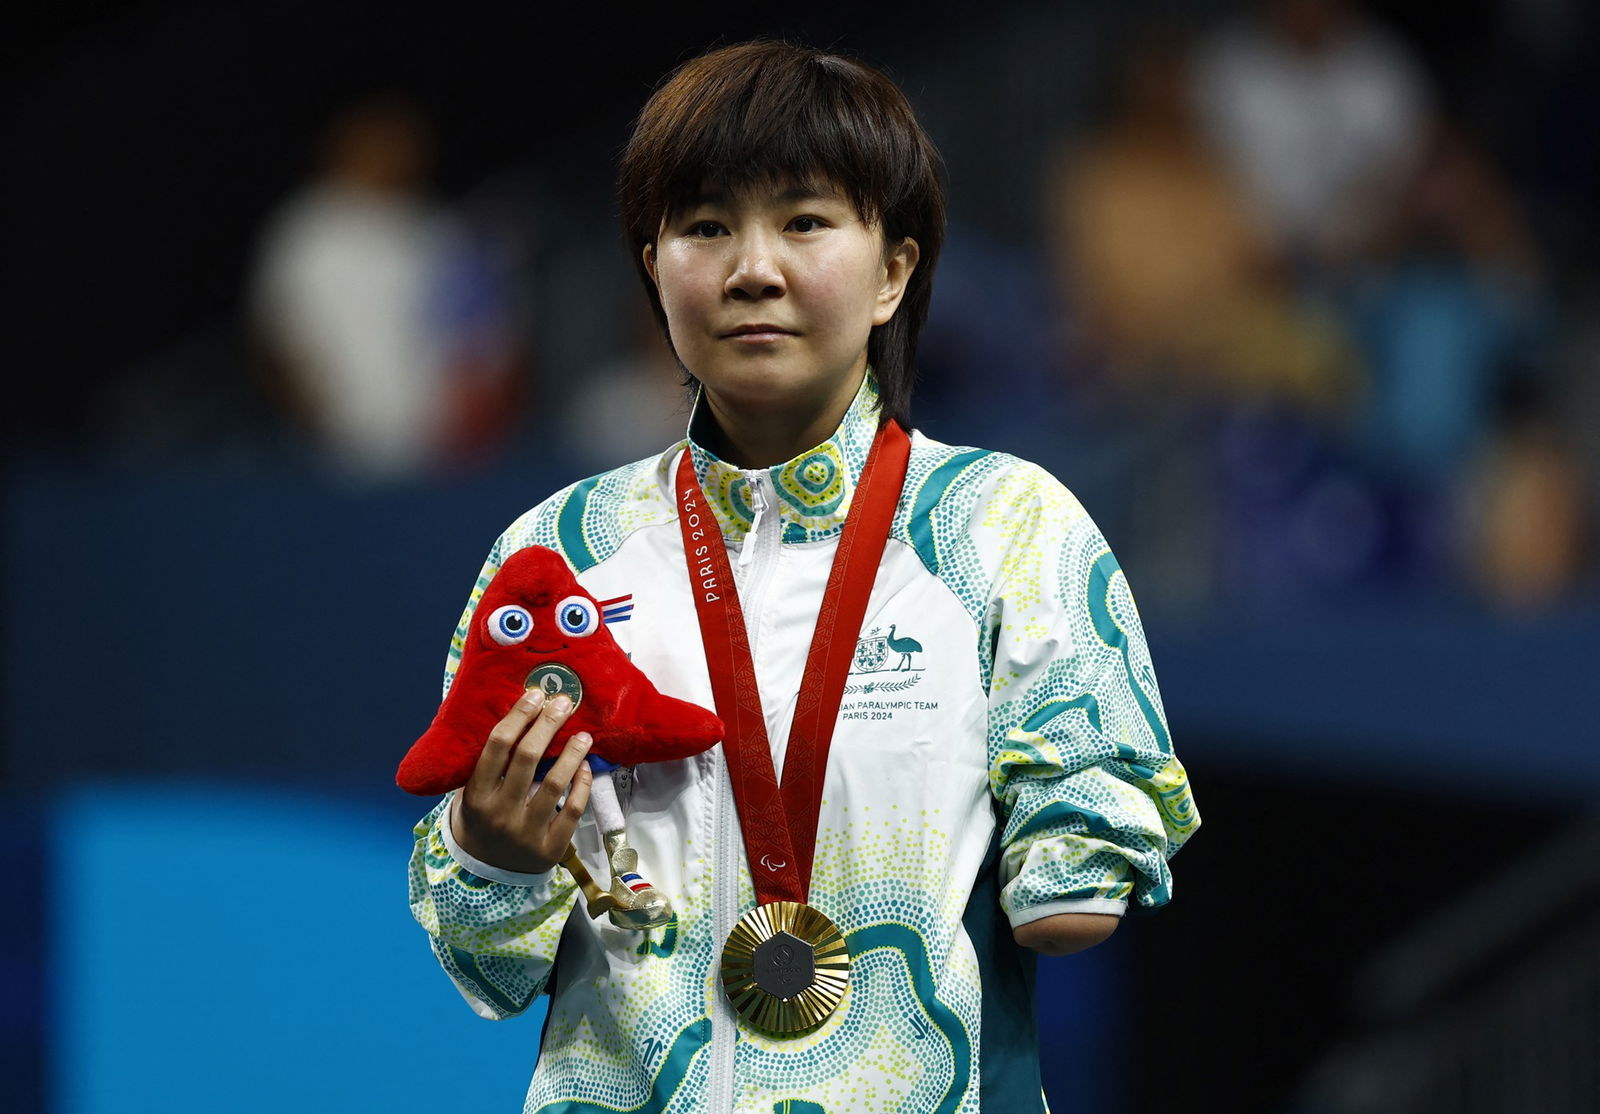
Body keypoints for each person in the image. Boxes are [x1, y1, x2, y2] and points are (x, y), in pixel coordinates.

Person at [408, 41, 1198, 1113]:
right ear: (652, 263)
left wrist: (1078, 830)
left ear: (894, 271)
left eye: (805, 220)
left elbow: (1089, 851)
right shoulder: (560, 554)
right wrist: (491, 852)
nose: (752, 267)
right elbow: (482, 968)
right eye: (703, 227)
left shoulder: (1006, 528)